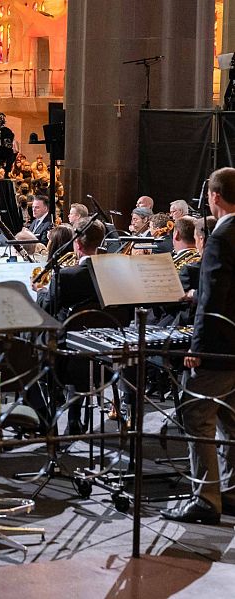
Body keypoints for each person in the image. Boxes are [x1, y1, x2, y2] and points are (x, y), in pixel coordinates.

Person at [161, 167, 235, 524]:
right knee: (230, 419)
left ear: (215, 197)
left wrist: (198, 349)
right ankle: (231, 492)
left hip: (217, 346)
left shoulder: (221, 237)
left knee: (195, 414)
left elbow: (217, 301)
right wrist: (197, 294)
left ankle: (206, 500)